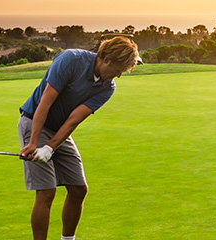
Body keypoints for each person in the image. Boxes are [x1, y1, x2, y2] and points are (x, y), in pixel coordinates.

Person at [17, 36, 139, 240]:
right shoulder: (70, 60)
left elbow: (74, 119)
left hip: (61, 130)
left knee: (79, 189)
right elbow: (45, 102)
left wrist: (50, 147)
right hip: (34, 122)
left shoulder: (107, 87)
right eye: (119, 68)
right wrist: (33, 143)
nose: (119, 75)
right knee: (46, 192)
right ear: (106, 59)